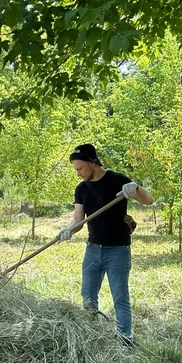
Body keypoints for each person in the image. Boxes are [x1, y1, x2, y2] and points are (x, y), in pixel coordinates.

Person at [56, 144, 154, 344]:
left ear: (92, 163)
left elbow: (148, 200)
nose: (78, 174)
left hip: (117, 250)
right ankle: (92, 337)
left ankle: (126, 340)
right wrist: (68, 230)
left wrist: (136, 188)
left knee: (120, 298)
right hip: (93, 249)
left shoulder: (118, 180)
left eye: (80, 169)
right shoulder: (82, 189)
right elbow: (78, 220)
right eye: (75, 169)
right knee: (88, 297)